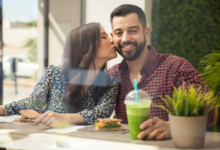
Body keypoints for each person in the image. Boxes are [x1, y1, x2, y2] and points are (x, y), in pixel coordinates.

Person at [107, 4, 215, 140]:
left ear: (146, 32)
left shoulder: (176, 67)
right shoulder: (112, 75)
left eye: (133, 31)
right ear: (112, 36)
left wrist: (175, 126)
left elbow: (209, 110)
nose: (125, 38)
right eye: (118, 33)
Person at [0, 23, 120, 127]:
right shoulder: (55, 73)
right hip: (49, 140)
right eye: (104, 37)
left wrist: (63, 118)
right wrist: (3, 109)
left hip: (87, 142)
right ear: (86, 45)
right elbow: (34, 102)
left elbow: (100, 114)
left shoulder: (112, 83)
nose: (112, 40)